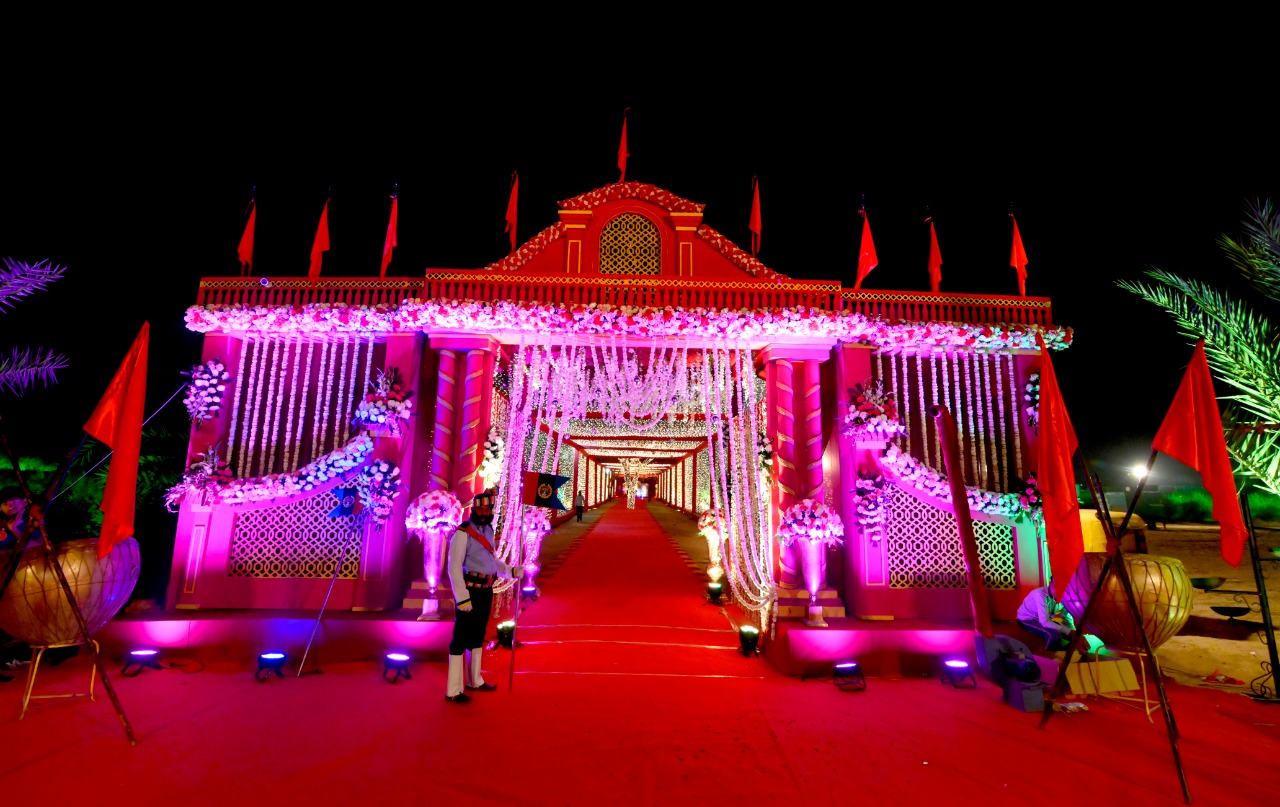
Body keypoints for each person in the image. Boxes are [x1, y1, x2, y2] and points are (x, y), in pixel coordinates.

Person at [445, 488, 519, 703]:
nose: (485, 512)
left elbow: (491, 561)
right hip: (469, 592)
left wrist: (510, 571)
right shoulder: (462, 533)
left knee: (478, 635)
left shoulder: (488, 530)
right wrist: (462, 598)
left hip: (486, 590)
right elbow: (454, 567)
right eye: (481, 509)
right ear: (474, 510)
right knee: (460, 638)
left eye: (488, 509)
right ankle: (453, 690)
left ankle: (474, 680)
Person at [1017, 584, 1077, 651]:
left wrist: (1074, 633)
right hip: (1027, 619)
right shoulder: (1040, 594)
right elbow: (1044, 622)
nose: (1059, 590)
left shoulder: (1064, 598)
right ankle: (1046, 655)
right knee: (1053, 635)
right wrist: (1068, 631)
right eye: (1056, 586)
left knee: (1071, 636)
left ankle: (1067, 653)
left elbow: (1067, 618)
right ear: (1051, 584)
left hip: (1043, 618)